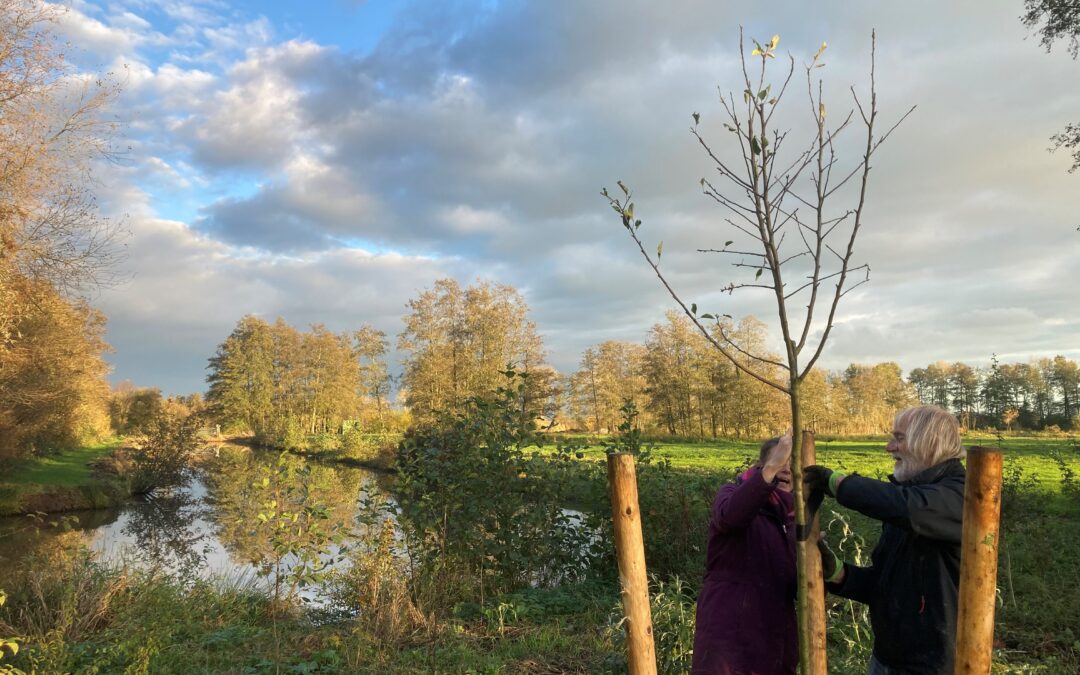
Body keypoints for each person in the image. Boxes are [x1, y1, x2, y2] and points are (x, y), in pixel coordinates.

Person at [804, 405, 966, 675]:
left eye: (899, 438)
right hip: (887, 659)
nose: (889, 448)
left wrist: (838, 484)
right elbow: (886, 586)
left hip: (932, 667)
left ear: (930, 442)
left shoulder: (961, 496)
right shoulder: (909, 497)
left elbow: (906, 507)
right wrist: (839, 574)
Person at [692, 431, 797, 675]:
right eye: (781, 463)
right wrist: (770, 471)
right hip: (729, 643)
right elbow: (731, 516)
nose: (786, 470)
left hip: (773, 640)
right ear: (759, 467)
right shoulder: (731, 495)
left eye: (792, 467)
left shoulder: (794, 519)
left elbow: (799, 586)